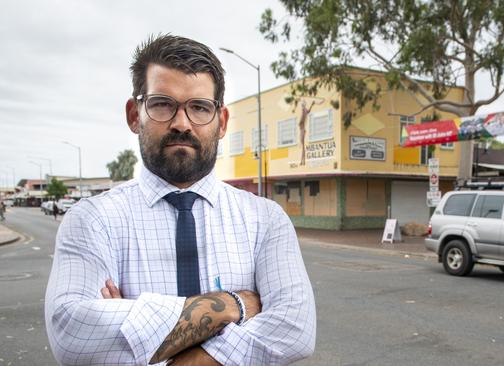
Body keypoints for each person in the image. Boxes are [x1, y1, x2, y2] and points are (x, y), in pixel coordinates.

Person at [45, 34, 316, 365]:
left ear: (221, 122)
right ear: (134, 114)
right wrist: (235, 305)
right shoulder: (92, 220)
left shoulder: (265, 219)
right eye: (162, 104)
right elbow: (73, 334)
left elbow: (295, 329)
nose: (182, 123)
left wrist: (138, 326)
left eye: (199, 107)